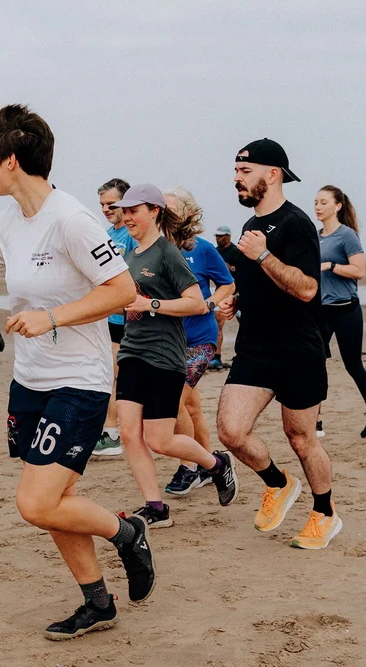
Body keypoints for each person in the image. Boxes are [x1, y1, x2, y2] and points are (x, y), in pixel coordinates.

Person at [0, 105, 155, 641]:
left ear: (11, 160)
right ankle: (97, 602)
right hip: (29, 382)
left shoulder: (72, 220)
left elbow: (122, 291)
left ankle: (127, 532)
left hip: (78, 380)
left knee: (35, 503)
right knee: (56, 500)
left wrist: (51, 316)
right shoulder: (7, 221)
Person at [216, 138, 341, 550]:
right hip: (254, 347)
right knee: (231, 432)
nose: (236, 178)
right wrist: (235, 300)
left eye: (244, 171)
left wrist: (264, 257)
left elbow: (307, 289)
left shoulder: (297, 224)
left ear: (273, 174)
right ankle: (279, 483)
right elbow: (258, 282)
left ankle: (325, 512)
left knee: (301, 437)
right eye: (236, 171)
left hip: (297, 350)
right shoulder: (253, 226)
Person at [111, 185, 238, 527]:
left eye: (132, 211)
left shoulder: (168, 253)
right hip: (133, 352)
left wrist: (151, 304)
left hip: (165, 356)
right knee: (128, 433)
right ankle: (156, 508)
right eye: (124, 211)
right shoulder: (130, 255)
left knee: (160, 439)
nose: (126, 217)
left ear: (153, 211)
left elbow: (196, 302)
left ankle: (216, 464)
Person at [161, 189, 236, 496]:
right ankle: (209, 465)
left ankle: (189, 466)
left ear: (186, 213)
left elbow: (227, 283)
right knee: (190, 406)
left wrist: (210, 304)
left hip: (200, 340)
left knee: (175, 399)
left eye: (168, 206)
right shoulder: (156, 249)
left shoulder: (203, 249)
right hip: (167, 340)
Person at [315, 185, 366, 438]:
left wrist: (331, 265)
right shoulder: (316, 236)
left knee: (353, 365)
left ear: (337, 206)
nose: (318, 207)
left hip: (346, 310)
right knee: (314, 364)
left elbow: (359, 271)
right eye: (316, 202)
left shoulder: (347, 236)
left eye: (323, 202)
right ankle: (315, 420)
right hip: (320, 311)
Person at [93, 178, 137, 457]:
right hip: (111, 319)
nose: (107, 209)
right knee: (109, 374)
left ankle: (112, 433)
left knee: (113, 374)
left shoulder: (133, 234)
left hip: (134, 317)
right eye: (102, 205)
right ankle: (111, 430)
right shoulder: (107, 233)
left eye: (112, 204)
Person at [210, 225, 243, 369]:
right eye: (216, 236)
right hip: (219, 293)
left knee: (245, 324)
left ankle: (243, 353)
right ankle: (216, 357)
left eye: (221, 236)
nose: (218, 238)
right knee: (218, 324)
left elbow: (242, 271)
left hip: (238, 293)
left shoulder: (236, 252)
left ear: (228, 236)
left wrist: (228, 266)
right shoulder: (214, 252)